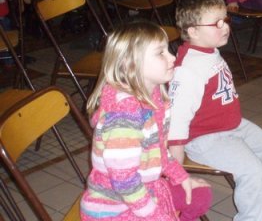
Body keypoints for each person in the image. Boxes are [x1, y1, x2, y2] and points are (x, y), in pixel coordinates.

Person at [168, 0, 262, 221]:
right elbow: (176, 121)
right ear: (192, 31)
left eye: (225, 20)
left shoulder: (208, 49)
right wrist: (176, 171)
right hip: (204, 138)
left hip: (231, 125)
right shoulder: (187, 71)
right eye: (216, 24)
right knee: (251, 169)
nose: (225, 26)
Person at [80, 21, 212, 221]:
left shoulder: (155, 97)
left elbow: (158, 151)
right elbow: (125, 183)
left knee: (199, 194)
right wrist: (158, 216)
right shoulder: (123, 117)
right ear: (131, 64)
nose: (172, 57)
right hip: (113, 209)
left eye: (168, 50)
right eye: (161, 53)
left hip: (146, 189)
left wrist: (181, 176)